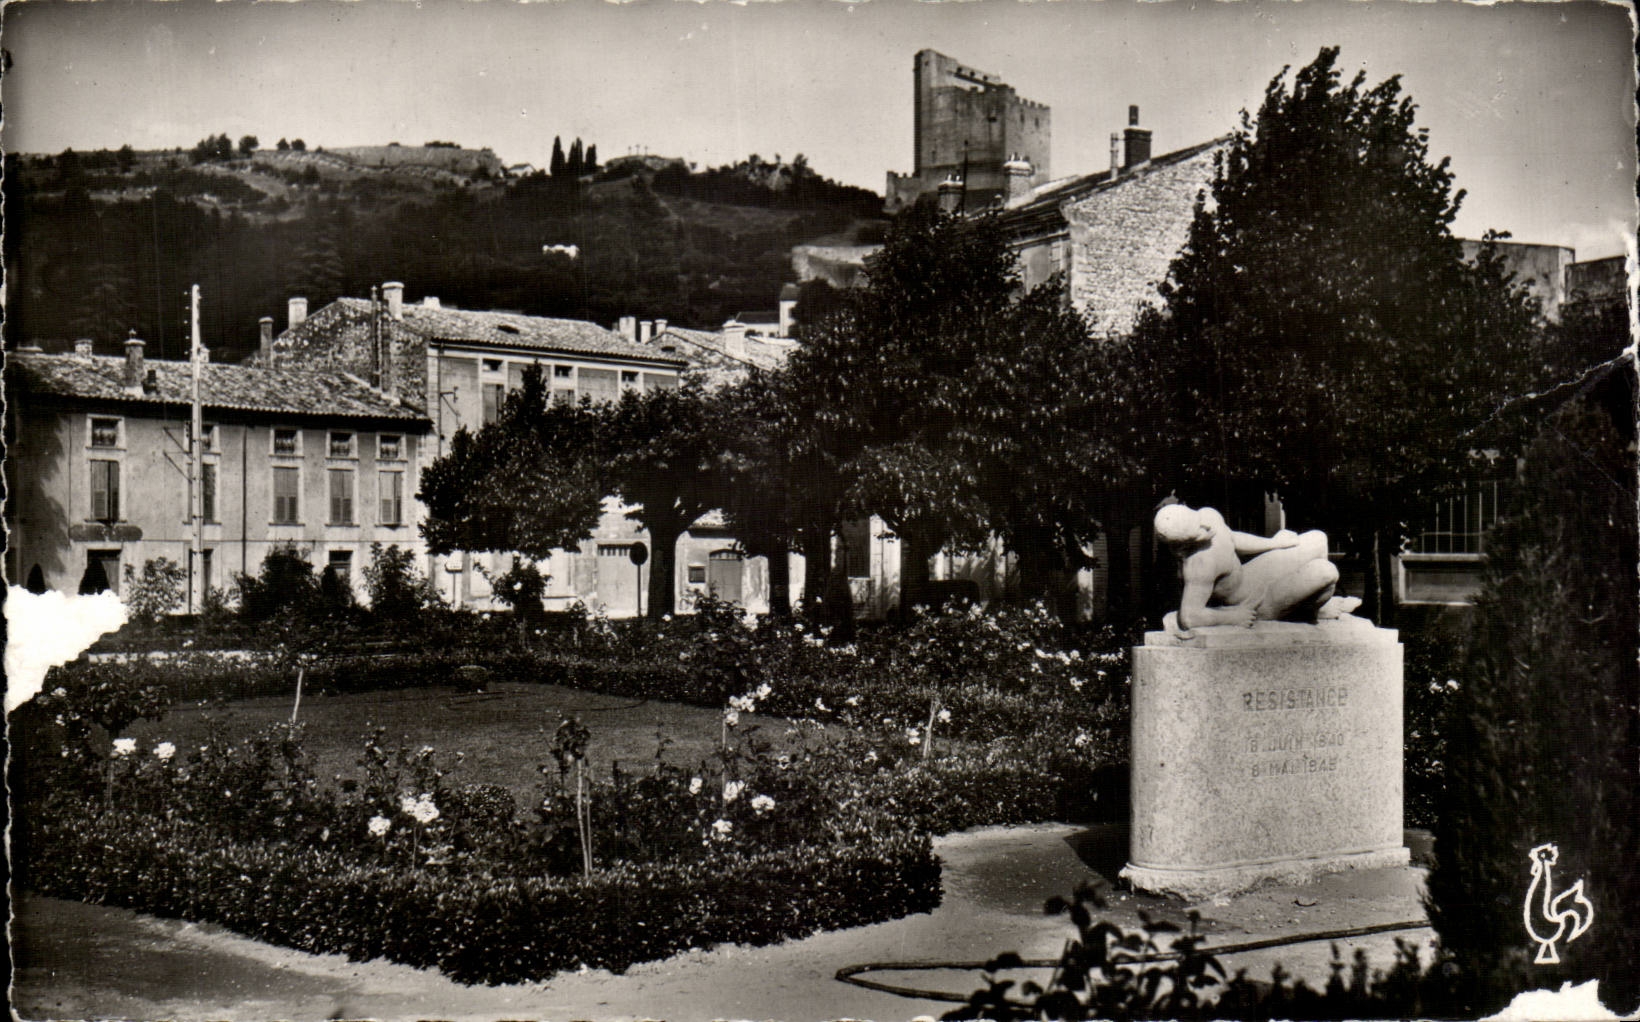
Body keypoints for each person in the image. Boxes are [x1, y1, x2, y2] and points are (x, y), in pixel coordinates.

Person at [1154, 504, 1360, 632]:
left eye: (1197, 518)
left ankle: (1313, 607)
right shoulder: (1199, 565)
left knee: (1318, 538)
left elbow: (1232, 538)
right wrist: (1233, 616)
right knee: (1326, 572)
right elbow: (1189, 617)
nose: (1206, 527)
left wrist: (1274, 543)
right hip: (1254, 603)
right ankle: (1303, 609)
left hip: (1253, 575)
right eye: (1199, 531)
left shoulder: (1208, 516)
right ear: (1182, 546)